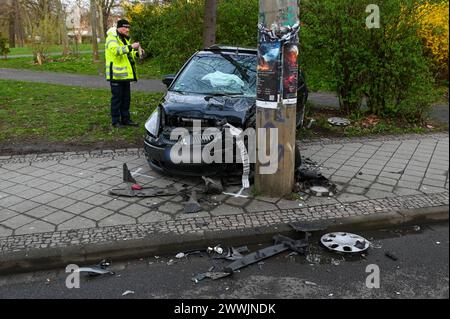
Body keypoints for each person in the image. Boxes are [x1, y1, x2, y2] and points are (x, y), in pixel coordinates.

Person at [105, 19, 143, 128]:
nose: (127, 30)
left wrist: (137, 53)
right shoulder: (111, 38)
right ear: (119, 27)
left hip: (125, 76)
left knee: (126, 99)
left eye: (128, 28)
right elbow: (116, 51)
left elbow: (128, 53)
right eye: (125, 27)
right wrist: (131, 46)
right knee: (117, 99)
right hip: (115, 75)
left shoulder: (124, 39)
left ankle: (126, 119)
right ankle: (115, 121)